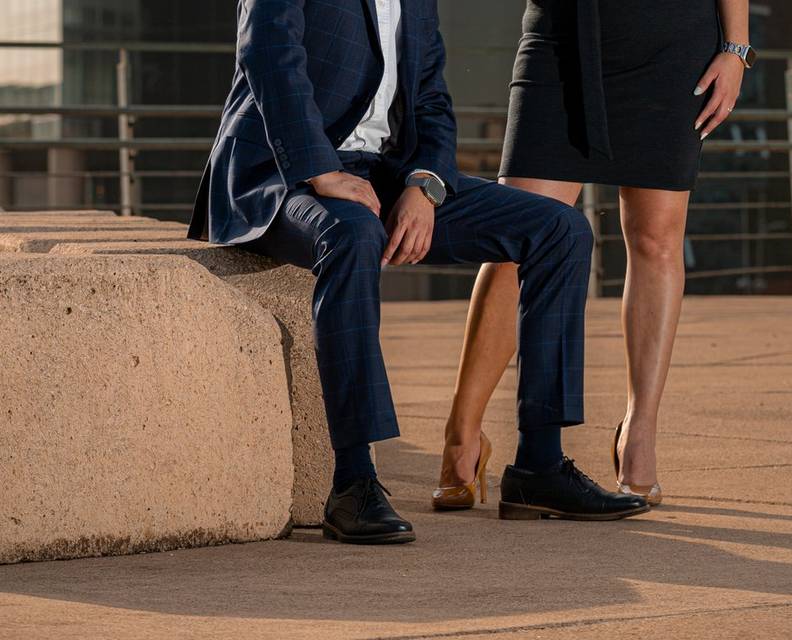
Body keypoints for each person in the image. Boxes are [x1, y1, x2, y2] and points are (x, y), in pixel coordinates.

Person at [189, 0, 648, 545]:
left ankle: (539, 467)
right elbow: (269, 57)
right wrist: (321, 171)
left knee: (559, 229)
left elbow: (430, 94)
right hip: (278, 178)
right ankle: (353, 484)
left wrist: (425, 184)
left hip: (385, 174)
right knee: (352, 234)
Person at [435, 0, 754, 508]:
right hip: (561, 38)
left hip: (673, 50)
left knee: (656, 238)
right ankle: (462, 432)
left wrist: (735, 49)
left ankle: (640, 433)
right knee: (517, 237)